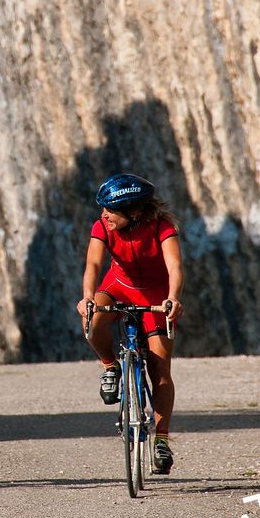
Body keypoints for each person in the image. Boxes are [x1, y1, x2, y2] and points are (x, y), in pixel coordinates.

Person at [76, 173, 183, 474]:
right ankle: (110, 366)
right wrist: (87, 298)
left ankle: (161, 440)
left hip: (156, 296)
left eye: (110, 210)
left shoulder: (163, 227)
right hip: (117, 286)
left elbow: (174, 266)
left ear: (133, 212)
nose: (104, 215)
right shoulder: (102, 227)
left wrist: (173, 298)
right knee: (93, 320)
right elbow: (93, 265)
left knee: (160, 371)